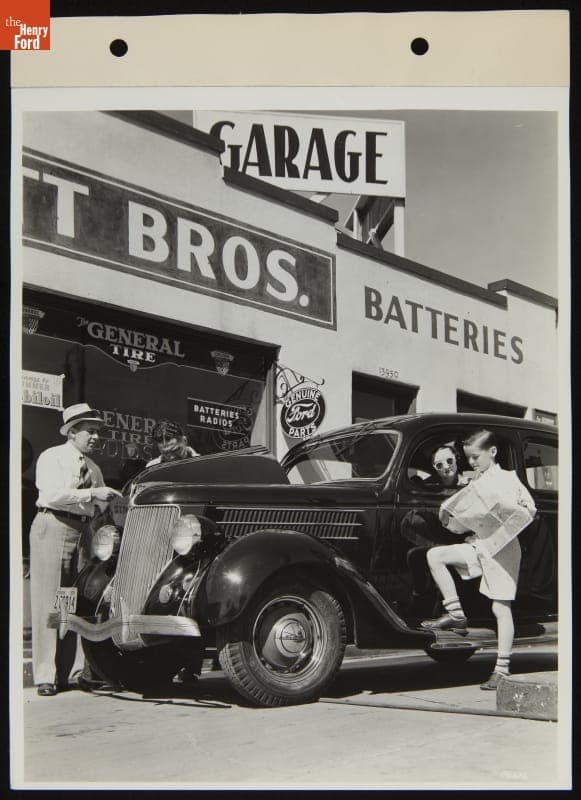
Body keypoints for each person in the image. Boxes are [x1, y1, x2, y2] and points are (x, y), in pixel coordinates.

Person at [421, 429, 536, 690]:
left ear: (492, 452)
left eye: (475, 457)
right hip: (480, 544)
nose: (471, 462)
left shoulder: (509, 479)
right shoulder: (475, 483)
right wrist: (452, 519)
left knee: (500, 608)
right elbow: (465, 523)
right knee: (436, 555)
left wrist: (509, 514)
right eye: (468, 458)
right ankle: (456, 612)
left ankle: (502, 669)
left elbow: (529, 510)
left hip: (504, 548)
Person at [29, 403, 122, 696]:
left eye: (97, 432)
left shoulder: (93, 468)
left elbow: (100, 504)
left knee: (70, 600)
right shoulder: (52, 457)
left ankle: (69, 671)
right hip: (53, 525)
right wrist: (92, 492)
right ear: (72, 433)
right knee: (48, 600)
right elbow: (51, 494)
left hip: (82, 531)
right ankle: (46, 674)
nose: (95, 437)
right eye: (89, 431)